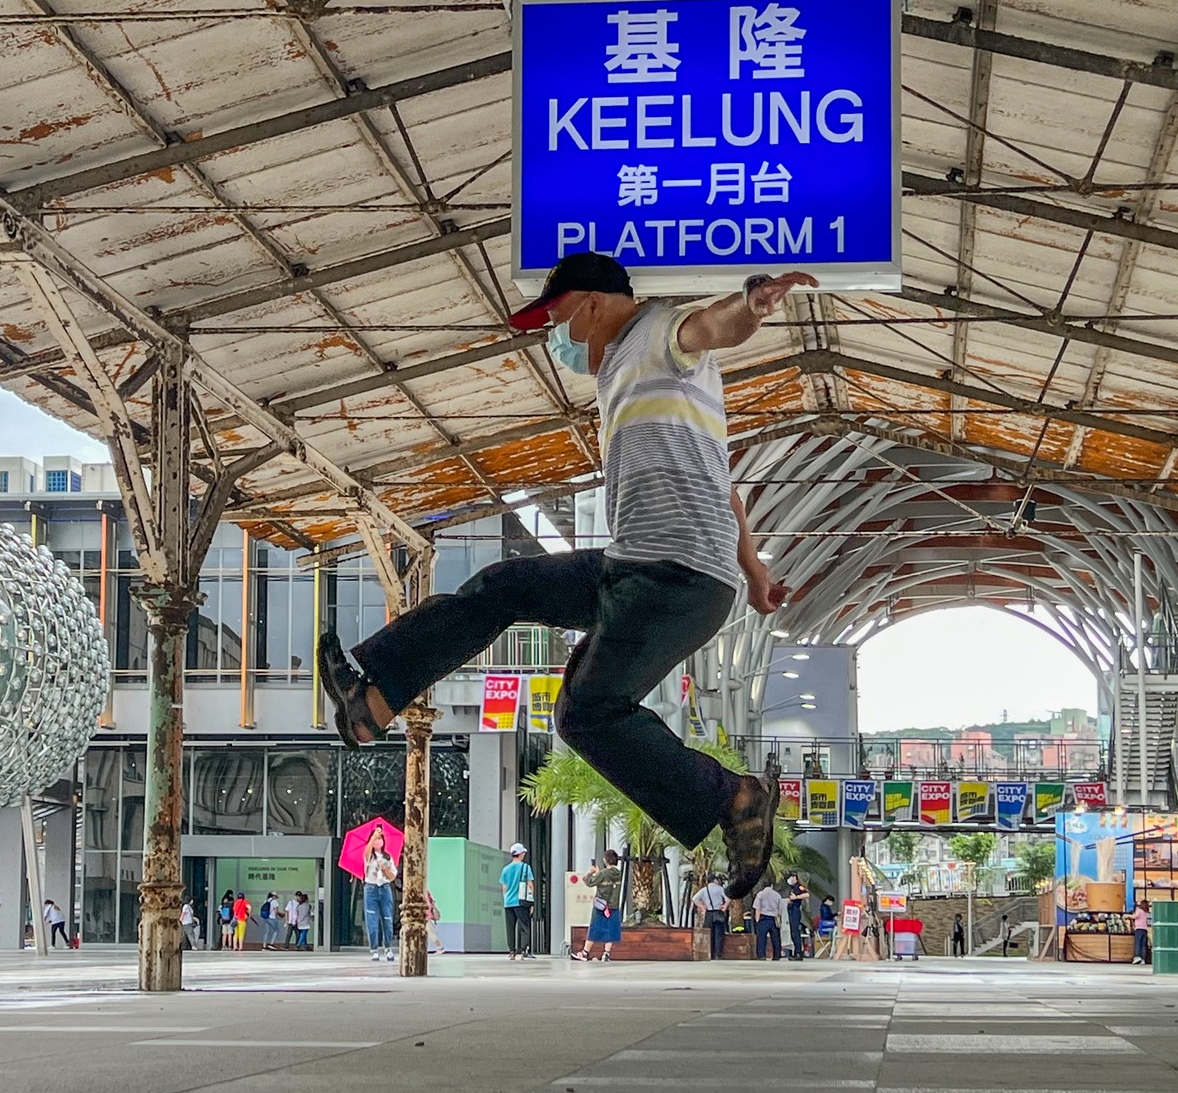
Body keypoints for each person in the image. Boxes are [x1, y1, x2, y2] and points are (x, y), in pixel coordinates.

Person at [319, 253, 811, 907]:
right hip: (637, 566)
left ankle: (735, 796)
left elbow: (708, 327)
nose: (556, 338)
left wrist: (748, 306)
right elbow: (726, 491)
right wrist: (754, 570)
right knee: (504, 588)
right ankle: (372, 698)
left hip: (677, 575)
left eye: (557, 319)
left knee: (586, 713)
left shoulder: (656, 334)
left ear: (593, 304)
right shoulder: (624, 380)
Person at [359, 828, 399, 961]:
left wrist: (385, 869)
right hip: (371, 888)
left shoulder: (388, 857)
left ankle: (388, 948)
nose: (378, 841)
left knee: (387, 919)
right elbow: (366, 851)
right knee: (372, 920)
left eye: (380, 838)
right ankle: (374, 949)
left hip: (385, 888)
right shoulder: (369, 856)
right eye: (376, 839)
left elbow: (392, 876)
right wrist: (373, 836)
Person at [577, 850, 624, 961]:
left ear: (606, 860)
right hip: (614, 906)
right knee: (611, 930)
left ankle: (585, 952)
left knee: (594, 928)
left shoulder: (603, 873)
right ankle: (606, 954)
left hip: (601, 906)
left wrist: (591, 872)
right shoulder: (619, 874)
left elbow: (589, 882)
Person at [500, 842, 536, 958]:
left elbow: (504, 888)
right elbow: (530, 885)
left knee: (510, 928)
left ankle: (512, 951)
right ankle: (523, 950)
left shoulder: (505, 869)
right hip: (521, 902)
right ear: (520, 854)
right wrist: (531, 901)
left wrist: (506, 898)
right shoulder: (525, 867)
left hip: (508, 902)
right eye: (523, 853)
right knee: (524, 926)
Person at [692, 872, 729, 959]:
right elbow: (728, 897)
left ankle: (710, 953)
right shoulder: (720, 888)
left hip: (709, 913)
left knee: (709, 934)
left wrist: (702, 907)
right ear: (715, 880)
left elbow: (694, 899)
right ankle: (718, 954)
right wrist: (725, 906)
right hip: (718, 912)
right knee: (719, 934)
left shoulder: (704, 890)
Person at [752, 880, 785, 960]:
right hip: (773, 918)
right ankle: (777, 955)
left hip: (763, 918)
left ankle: (761, 955)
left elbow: (757, 908)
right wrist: (778, 916)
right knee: (776, 938)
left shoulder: (760, 894)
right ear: (771, 885)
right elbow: (780, 908)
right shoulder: (777, 895)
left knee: (761, 938)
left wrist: (757, 920)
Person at [784, 876, 808, 960]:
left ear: (795, 877)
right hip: (791, 909)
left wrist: (796, 897)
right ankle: (795, 951)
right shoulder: (792, 888)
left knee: (795, 931)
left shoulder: (799, 886)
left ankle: (798, 952)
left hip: (795, 909)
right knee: (792, 932)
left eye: (790, 877)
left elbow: (806, 894)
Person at [425, 886, 445, 955]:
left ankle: (439, 947)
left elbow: (429, 904)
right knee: (429, 932)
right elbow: (431, 903)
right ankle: (438, 947)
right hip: (426, 915)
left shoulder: (423, 892)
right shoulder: (426, 892)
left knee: (431, 932)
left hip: (425, 915)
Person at [1131, 899, 1152, 965]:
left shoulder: (1139, 911)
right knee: (1143, 945)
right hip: (1145, 929)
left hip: (1139, 928)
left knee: (1138, 943)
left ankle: (1137, 956)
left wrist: (1128, 916)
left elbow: (1135, 917)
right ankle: (1143, 959)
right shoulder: (1146, 912)